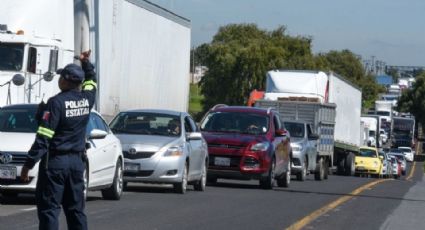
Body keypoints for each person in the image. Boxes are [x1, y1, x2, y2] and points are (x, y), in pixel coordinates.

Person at [20, 50, 96, 230]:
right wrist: (87, 64)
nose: (59, 79)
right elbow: (92, 82)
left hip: (55, 164)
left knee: (49, 210)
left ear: (66, 81)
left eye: (61, 76)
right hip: (77, 163)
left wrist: (28, 165)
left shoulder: (56, 103)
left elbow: (43, 138)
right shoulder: (87, 98)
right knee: (76, 209)